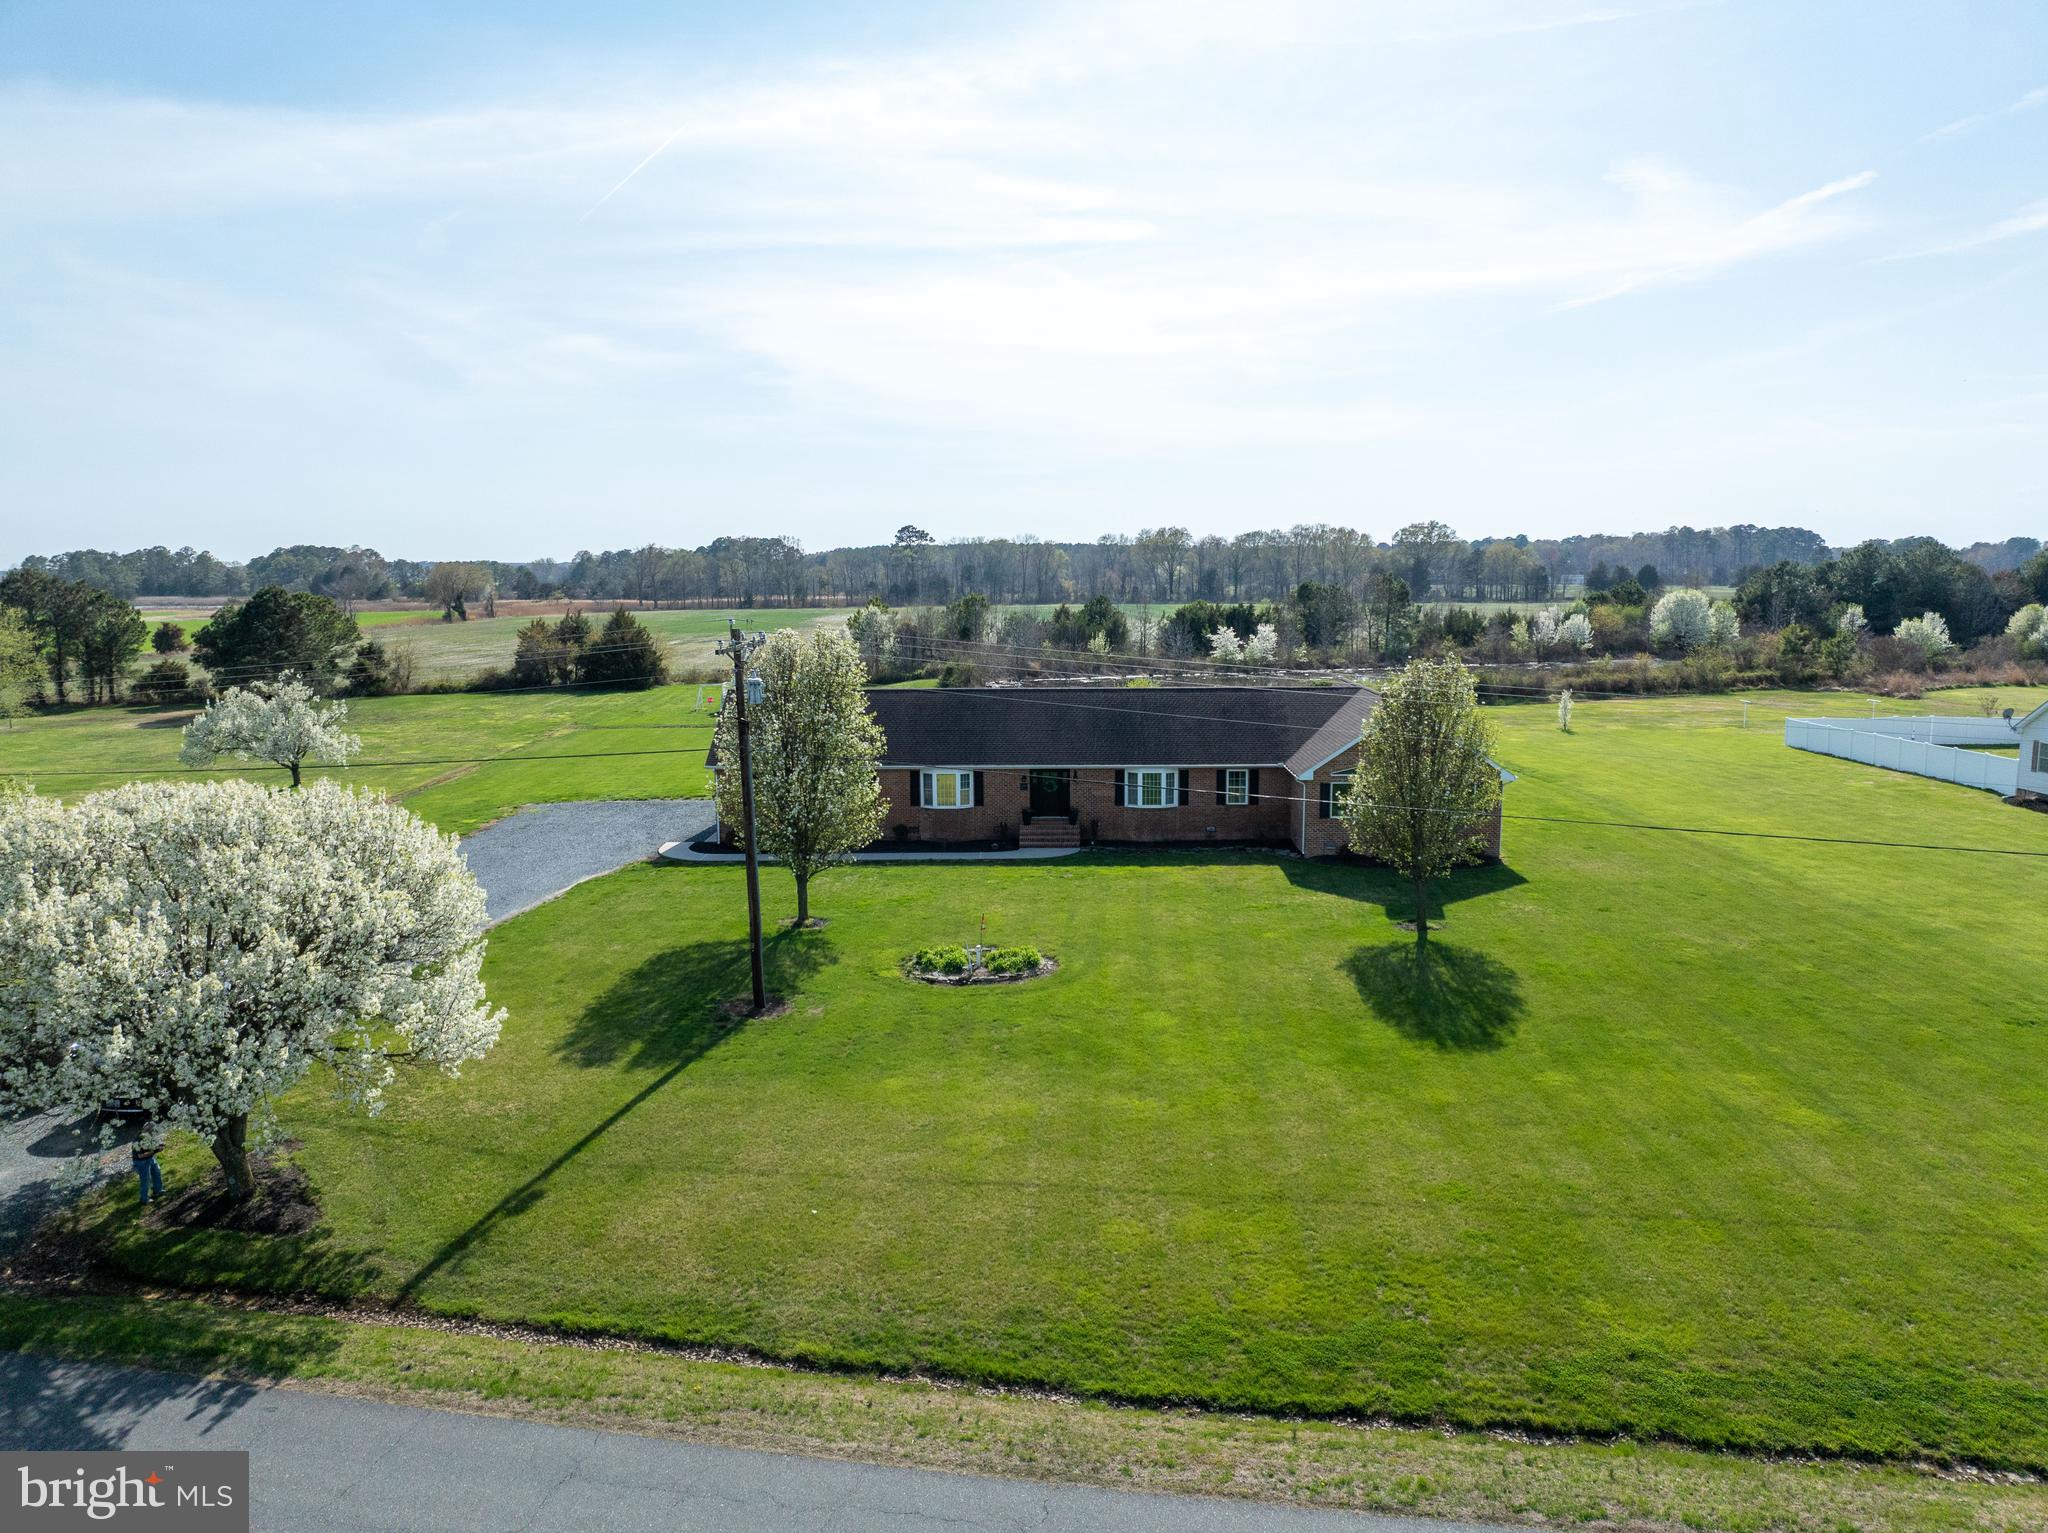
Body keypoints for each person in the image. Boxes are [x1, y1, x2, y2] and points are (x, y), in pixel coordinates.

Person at [131, 1140, 164, 1205]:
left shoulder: (148, 1137)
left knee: (157, 1172)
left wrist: (159, 1146)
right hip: (141, 1162)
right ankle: (144, 1199)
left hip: (150, 1158)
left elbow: (151, 1147)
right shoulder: (137, 1141)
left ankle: (158, 1191)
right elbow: (140, 1155)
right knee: (146, 1180)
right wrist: (156, 1150)